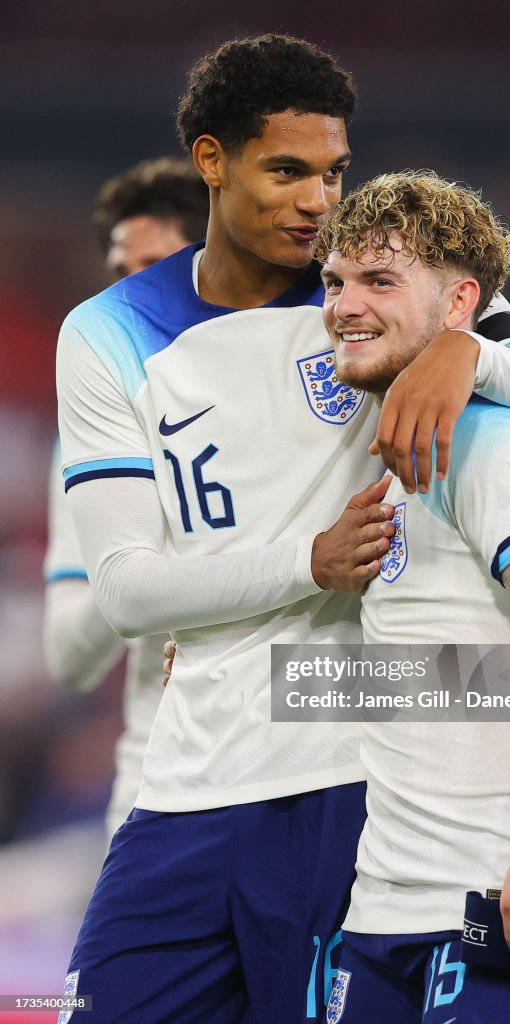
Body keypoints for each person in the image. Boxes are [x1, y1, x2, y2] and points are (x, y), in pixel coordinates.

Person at [56, 34, 510, 1024]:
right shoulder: (108, 331)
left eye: (333, 172)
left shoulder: (391, 285)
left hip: (350, 786)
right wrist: (306, 563)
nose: (318, 201)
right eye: (287, 171)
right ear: (211, 161)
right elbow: (125, 591)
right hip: (188, 780)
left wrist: (472, 353)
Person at [315, 171, 510, 1023]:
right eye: (335, 282)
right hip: (383, 908)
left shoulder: (490, 437)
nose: (344, 306)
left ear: (458, 304)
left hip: (501, 900)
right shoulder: (392, 450)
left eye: (380, 281)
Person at [43, 156, 208, 838]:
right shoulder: (94, 433)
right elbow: (69, 658)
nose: (130, 295)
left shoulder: (313, 390)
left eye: (155, 268)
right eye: (120, 272)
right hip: (156, 779)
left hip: (313, 773)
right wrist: (133, 555)